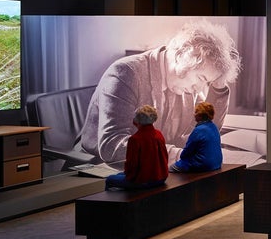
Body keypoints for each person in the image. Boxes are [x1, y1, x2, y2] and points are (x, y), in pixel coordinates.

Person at [79, 19, 241, 165]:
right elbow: (112, 145)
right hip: (99, 169)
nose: (200, 88)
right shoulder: (125, 73)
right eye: (201, 78)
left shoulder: (186, 83)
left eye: (206, 82)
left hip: (154, 167)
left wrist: (218, 86)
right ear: (185, 58)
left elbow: (202, 132)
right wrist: (178, 155)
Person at [104, 105, 168, 190]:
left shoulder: (135, 139)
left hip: (144, 181)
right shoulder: (158, 134)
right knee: (118, 175)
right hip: (161, 178)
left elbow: (131, 164)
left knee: (109, 179)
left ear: (137, 120)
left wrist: (129, 177)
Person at [170, 101, 223, 172]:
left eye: (195, 112)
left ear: (200, 115)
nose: (194, 114)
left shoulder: (198, 130)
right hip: (217, 163)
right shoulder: (214, 127)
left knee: (171, 168)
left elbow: (186, 153)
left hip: (203, 165)